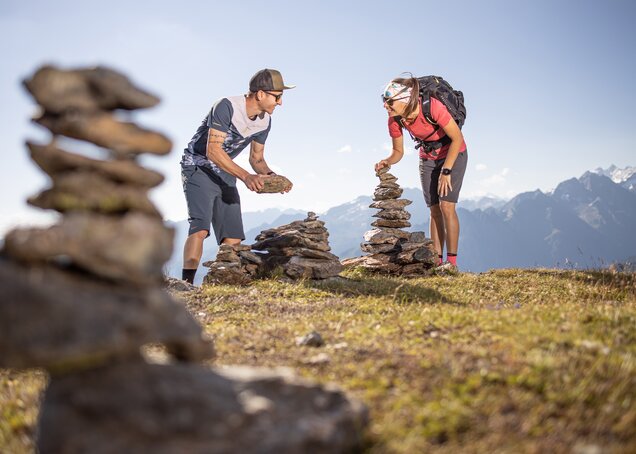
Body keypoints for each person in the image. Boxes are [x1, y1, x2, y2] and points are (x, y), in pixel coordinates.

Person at [180, 69, 294, 284]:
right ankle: (185, 285)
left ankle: (223, 282)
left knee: (232, 237)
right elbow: (212, 151)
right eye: (277, 96)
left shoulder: (264, 121)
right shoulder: (226, 106)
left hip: (226, 171)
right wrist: (246, 177)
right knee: (200, 228)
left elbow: (257, 160)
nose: (280, 103)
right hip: (197, 167)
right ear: (260, 94)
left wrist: (274, 179)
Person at [375, 76, 468, 270]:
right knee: (434, 209)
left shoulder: (431, 106)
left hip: (453, 153)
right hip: (428, 157)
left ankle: (451, 264)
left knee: (446, 207)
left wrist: (447, 170)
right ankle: (436, 261)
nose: (385, 105)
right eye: (383, 100)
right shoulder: (394, 120)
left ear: (404, 99)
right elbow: (398, 152)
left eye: (389, 101)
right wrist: (387, 161)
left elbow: (456, 137)